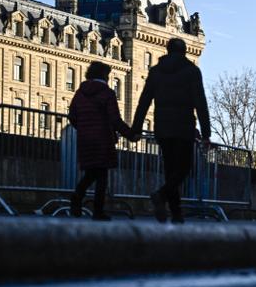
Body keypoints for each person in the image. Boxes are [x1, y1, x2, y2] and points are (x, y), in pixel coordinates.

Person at [131, 38, 211, 223]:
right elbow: (200, 102)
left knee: (170, 169)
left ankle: (176, 213)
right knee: (184, 168)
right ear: (184, 51)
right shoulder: (192, 71)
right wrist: (206, 133)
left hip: (162, 126)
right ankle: (162, 196)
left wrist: (136, 128)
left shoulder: (156, 71)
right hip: (183, 126)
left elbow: (144, 101)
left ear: (167, 50)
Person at [67, 61, 135, 220]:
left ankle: (77, 197)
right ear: (104, 75)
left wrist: (83, 128)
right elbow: (115, 119)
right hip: (103, 139)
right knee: (101, 175)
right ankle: (97, 211)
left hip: (85, 139)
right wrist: (130, 135)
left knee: (91, 172)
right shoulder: (107, 93)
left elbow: (72, 116)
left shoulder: (80, 93)